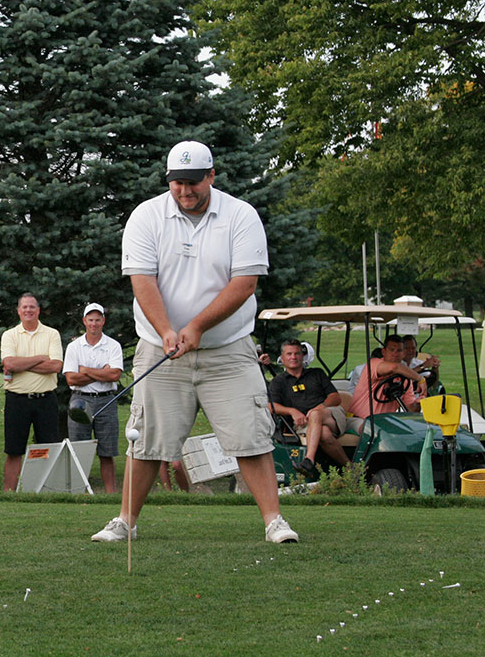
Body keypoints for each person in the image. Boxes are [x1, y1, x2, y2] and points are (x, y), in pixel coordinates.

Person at [91, 139, 299, 545]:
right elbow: (142, 281)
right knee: (147, 438)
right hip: (160, 347)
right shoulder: (146, 217)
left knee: (250, 436)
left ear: (211, 176)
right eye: (176, 183)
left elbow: (245, 282)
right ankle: (125, 521)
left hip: (229, 348)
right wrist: (168, 329)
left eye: (193, 183)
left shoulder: (240, 215)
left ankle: (274, 521)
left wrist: (199, 326)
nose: (185, 191)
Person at [0, 293, 64, 491]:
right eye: (24, 307)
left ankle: (48, 491)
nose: (28, 310)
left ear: (38, 310)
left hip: (45, 400)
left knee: (48, 448)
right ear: (18, 311)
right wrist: (39, 358)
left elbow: (55, 366)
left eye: (32, 307)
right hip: (17, 400)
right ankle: (9, 495)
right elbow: (8, 363)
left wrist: (21, 364)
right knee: (13, 450)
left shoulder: (52, 334)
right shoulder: (9, 335)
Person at [63, 302, 124, 493]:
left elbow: (114, 376)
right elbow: (71, 378)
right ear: (84, 321)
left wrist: (86, 371)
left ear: (103, 321)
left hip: (106, 400)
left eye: (98, 320)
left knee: (107, 452)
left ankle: (110, 493)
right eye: (91, 320)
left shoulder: (113, 346)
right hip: (80, 400)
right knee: (79, 450)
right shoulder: (74, 347)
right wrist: (101, 372)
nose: (94, 324)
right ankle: (78, 491)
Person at [268, 340, 350, 480]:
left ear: (302, 356)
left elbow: (335, 398)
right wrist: (292, 411)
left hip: (331, 416)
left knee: (316, 415)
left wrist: (317, 409)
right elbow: (271, 407)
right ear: (282, 358)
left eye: (297, 353)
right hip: (306, 423)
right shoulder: (278, 381)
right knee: (324, 433)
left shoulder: (317, 374)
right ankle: (351, 469)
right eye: (289, 354)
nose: (293, 357)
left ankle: (309, 460)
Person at [348, 334, 426, 430]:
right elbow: (394, 367)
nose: (395, 354)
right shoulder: (374, 364)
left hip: (383, 422)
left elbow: (411, 409)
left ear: (403, 354)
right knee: (373, 430)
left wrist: (418, 403)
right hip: (358, 419)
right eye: (391, 350)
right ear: (384, 352)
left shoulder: (405, 378)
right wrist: (420, 379)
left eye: (399, 351)